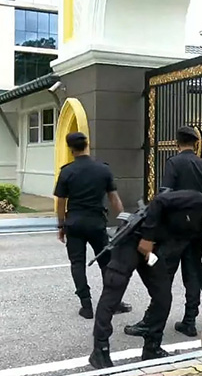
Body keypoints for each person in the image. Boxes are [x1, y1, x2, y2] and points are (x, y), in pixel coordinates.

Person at [89, 189, 202, 369]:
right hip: (133, 240)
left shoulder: (199, 232)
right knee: (113, 290)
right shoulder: (196, 201)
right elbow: (159, 202)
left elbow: (195, 262)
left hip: (152, 253)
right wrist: (147, 237)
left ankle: (152, 347)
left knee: (163, 296)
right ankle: (100, 351)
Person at [125, 126, 202, 338]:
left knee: (163, 274)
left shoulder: (173, 163)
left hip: (174, 230)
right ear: (195, 143)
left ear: (177, 143)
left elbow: (165, 195)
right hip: (196, 230)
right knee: (192, 272)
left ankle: (152, 319)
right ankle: (189, 321)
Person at [54, 132, 132, 319]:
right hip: (97, 223)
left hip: (74, 223)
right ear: (87, 145)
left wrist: (61, 225)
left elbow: (61, 202)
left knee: (77, 263)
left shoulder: (67, 171)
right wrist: (123, 221)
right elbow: (114, 198)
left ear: (70, 148)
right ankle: (113, 302)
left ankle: (86, 305)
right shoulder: (102, 169)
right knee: (107, 262)